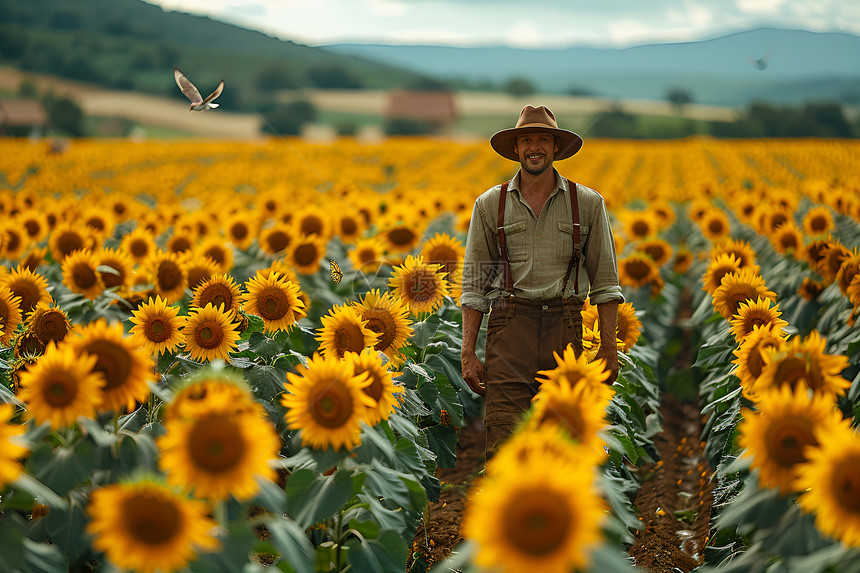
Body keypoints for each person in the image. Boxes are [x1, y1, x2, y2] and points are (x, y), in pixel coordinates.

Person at [460, 104, 625, 458]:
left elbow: (606, 285)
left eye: (543, 140)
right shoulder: (490, 205)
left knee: (564, 442)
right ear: (516, 148)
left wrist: (609, 348)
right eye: (527, 140)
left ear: (555, 148)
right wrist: (467, 352)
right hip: (508, 329)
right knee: (505, 440)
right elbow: (475, 287)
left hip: (564, 328)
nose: (535, 147)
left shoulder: (588, 204)